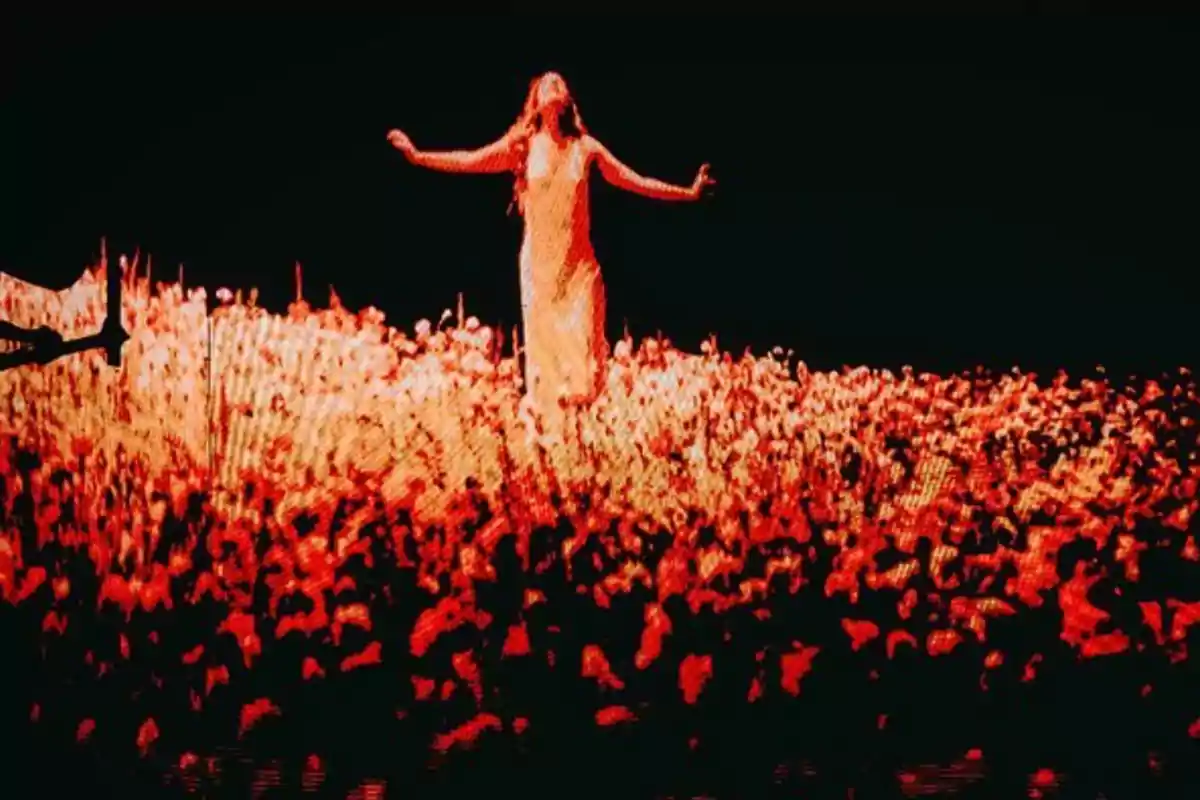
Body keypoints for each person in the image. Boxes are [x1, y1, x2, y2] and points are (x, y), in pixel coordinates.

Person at [388, 72, 715, 416]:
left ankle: (582, 434)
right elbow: (471, 159)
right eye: (547, 84)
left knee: (583, 369)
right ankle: (556, 447)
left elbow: (635, 180)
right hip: (540, 272)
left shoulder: (585, 148)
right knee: (548, 374)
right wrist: (419, 155)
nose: (554, 86)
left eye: (560, 83)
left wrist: (688, 193)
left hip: (578, 269)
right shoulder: (523, 145)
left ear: (568, 100)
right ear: (535, 100)